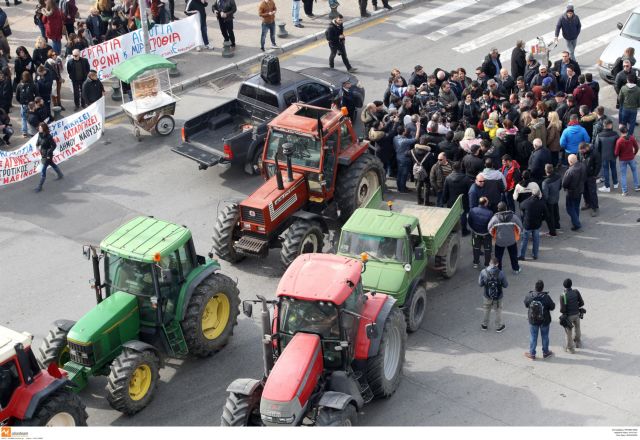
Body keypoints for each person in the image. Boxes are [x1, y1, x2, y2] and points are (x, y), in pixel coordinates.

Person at [524, 280, 555, 360]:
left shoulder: (530, 296)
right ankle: (546, 352)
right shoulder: (546, 297)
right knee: (545, 336)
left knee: (533, 337)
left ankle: (532, 354)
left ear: (535, 287)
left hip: (533, 320)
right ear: (542, 288)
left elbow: (526, 304)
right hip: (544, 320)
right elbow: (552, 307)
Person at [488, 201, 522, 273]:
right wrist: (516, 236)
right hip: (511, 240)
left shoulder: (495, 219)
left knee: (498, 257)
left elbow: (489, 229)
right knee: (513, 256)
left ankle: (498, 270)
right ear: (506, 208)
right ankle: (516, 269)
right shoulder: (514, 217)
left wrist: (494, 235)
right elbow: (520, 227)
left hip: (499, 241)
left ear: (498, 209)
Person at [478, 257, 508, 332]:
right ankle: (499, 326)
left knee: (486, 309)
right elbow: (505, 285)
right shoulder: (501, 273)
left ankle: (484, 325)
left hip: (487, 295)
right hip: (498, 297)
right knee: (498, 310)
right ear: (497, 264)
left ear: (489, 263)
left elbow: (480, 284)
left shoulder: (483, 272)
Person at [443, 161, 472, 235]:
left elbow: (445, 191)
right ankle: (464, 231)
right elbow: (469, 191)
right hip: (463, 200)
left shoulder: (448, 178)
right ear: (461, 168)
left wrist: (444, 200)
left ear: (452, 168)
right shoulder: (466, 178)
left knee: (452, 216)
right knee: (463, 215)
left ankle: (452, 230)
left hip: (451, 200)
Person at [34, 122, 63, 192]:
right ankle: (60, 174)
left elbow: (54, 145)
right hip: (42, 154)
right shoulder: (39, 134)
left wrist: (49, 153)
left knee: (43, 170)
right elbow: (38, 142)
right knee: (52, 164)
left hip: (48, 155)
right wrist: (37, 146)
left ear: (44, 128)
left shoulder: (49, 136)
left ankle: (40, 186)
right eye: (39, 128)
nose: (39, 129)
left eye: (40, 128)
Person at [559, 278, 584, 354]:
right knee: (577, 328)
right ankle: (578, 342)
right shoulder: (576, 292)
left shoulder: (563, 295)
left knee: (568, 333)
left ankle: (570, 349)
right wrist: (576, 306)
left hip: (568, 316)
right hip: (577, 314)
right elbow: (582, 303)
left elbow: (562, 310)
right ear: (571, 285)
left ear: (564, 286)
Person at [562, 154, 586, 231]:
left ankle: (576, 223)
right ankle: (576, 220)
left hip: (571, 192)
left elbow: (564, 183)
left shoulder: (570, 171)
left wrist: (565, 188)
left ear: (570, 162)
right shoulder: (582, 166)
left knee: (569, 208)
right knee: (576, 206)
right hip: (580, 190)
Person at [518, 193, 545, 261]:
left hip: (527, 225)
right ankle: (535, 255)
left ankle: (522, 255)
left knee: (524, 240)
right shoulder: (541, 203)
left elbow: (521, 206)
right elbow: (547, 214)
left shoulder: (527, 202)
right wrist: (541, 219)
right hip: (537, 225)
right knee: (536, 240)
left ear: (532, 195)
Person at [468, 197, 493, 268]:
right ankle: (487, 264)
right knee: (487, 249)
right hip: (486, 234)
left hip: (476, 233)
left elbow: (469, 221)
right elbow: (491, 225)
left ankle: (476, 263)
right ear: (485, 203)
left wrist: (474, 228)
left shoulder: (473, 210)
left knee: (476, 248)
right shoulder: (490, 213)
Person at [595, 119, 619, 192]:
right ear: (610, 125)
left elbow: (597, 147)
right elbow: (618, 145)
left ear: (603, 126)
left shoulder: (599, 135)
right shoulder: (615, 134)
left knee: (605, 170)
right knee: (613, 168)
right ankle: (615, 183)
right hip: (613, 155)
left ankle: (607, 186)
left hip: (603, 156)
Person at [614, 125, 640, 196]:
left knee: (623, 175)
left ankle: (624, 191)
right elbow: (636, 147)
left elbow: (616, 152)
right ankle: (637, 186)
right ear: (627, 130)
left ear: (621, 132)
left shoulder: (619, 141)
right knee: (634, 171)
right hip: (631, 158)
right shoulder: (631, 138)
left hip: (622, 159)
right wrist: (634, 153)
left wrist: (617, 156)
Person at [410, 136, 435, 205]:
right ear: (427, 143)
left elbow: (406, 154)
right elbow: (432, 164)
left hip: (417, 171)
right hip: (426, 172)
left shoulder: (412, 151)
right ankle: (426, 202)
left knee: (418, 184)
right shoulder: (429, 154)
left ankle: (419, 200)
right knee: (426, 186)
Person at [579, 142, 601, 216]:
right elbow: (578, 161)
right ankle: (587, 204)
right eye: (580, 151)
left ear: (587, 148)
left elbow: (598, 165)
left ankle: (595, 207)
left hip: (591, 176)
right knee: (584, 191)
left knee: (592, 192)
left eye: (583, 151)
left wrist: (595, 175)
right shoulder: (580, 153)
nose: (581, 153)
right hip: (583, 176)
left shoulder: (594, 153)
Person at [393, 126, 417, 193]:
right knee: (404, 174)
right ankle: (402, 189)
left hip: (398, 157)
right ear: (403, 132)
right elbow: (416, 139)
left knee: (399, 173)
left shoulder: (395, 138)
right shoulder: (404, 141)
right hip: (404, 159)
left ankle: (399, 187)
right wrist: (418, 127)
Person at [15, 72, 37, 138]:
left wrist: (21, 102)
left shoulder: (19, 85)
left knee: (24, 118)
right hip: (31, 104)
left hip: (23, 104)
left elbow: (17, 96)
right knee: (31, 117)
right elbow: (37, 94)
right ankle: (32, 131)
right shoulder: (32, 85)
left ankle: (24, 132)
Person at [541, 164, 561, 236]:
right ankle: (557, 225)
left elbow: (545, 195)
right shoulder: (558, 176)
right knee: (556, 211)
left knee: (550, 216)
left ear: (546, 171)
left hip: (549, 201)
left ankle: (552, 232)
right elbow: (560, 187)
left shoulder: (545, 182)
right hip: (556, 197)